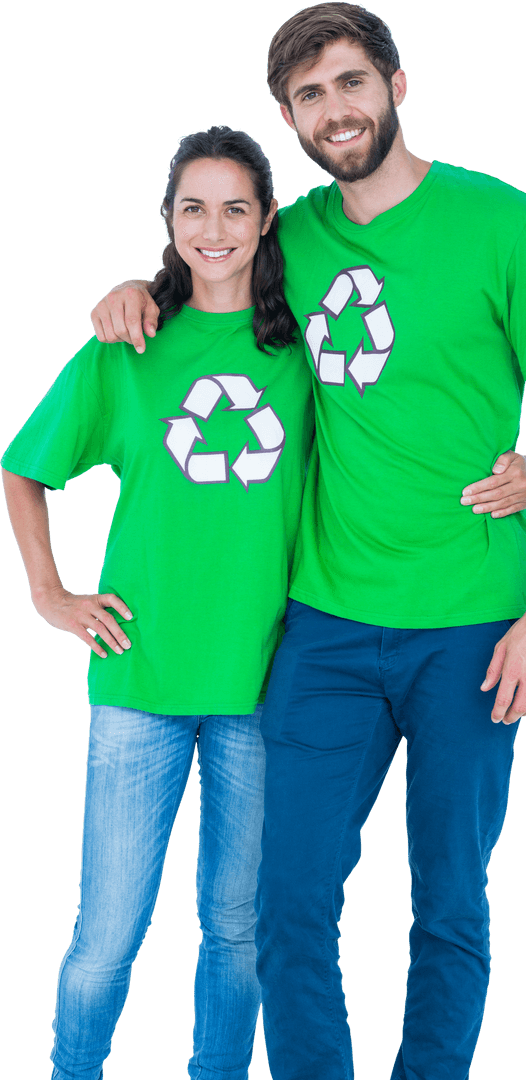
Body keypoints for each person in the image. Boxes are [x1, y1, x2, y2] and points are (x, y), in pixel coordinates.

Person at [84, 7, 526, 1078]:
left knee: (449, 899)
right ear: (289, 117)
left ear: (396, 86)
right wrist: (131, 290)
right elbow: (204, 274)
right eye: (309, 95)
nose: (336, 109)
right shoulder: (292, 235)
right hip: (321, 626)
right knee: (284, 900)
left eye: (351, 81)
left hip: (472, 625)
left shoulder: (508, 225)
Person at [1, 125, 317, 1080]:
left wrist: (516, 466)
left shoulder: (307, 351)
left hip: (264, 681)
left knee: (235, 928)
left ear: (268, 220)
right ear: (170, 221)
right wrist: (48, 591)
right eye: (193, 208)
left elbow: (391, 440)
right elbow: (25, 466)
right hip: (139, 678)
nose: (213, 229)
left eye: (235, 208)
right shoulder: (125, 346)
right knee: (106, 935)